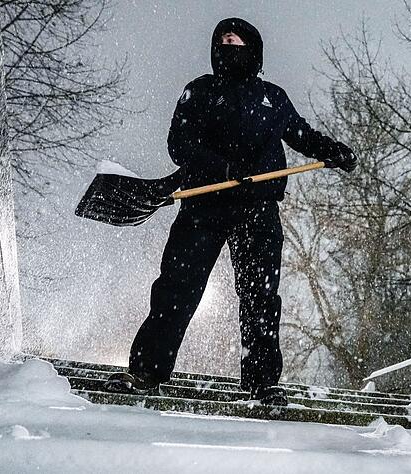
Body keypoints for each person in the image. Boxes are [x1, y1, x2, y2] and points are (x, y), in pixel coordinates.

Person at [104, 18, 357, 405]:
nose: (227, 44)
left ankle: (262, 383)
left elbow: (301, 134)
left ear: (252, 49)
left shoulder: (273, 97)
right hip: (204, 204)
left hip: (258, 209)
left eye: (235, 39)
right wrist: (223, 167)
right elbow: (180, 143)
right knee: (177, 290)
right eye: (222, 39)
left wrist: (332, 151)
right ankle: (145, 372)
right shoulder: (199, 91)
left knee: (261, 298)